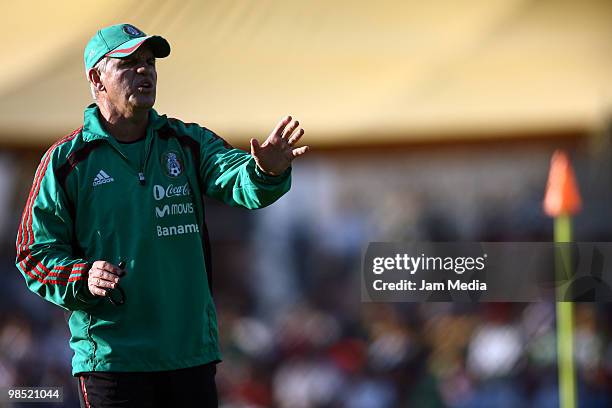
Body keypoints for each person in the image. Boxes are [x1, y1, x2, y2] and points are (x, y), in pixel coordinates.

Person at [15, 23, 308, 407]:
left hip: (189, 354)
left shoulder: (186, 142)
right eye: (129, 63)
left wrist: (265, 171)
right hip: (112, 359)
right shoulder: (66, 162)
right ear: (96, 79)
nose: (145, 71)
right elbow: (32, 252)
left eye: (150, 62)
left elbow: (240, 179)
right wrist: (82, 275)